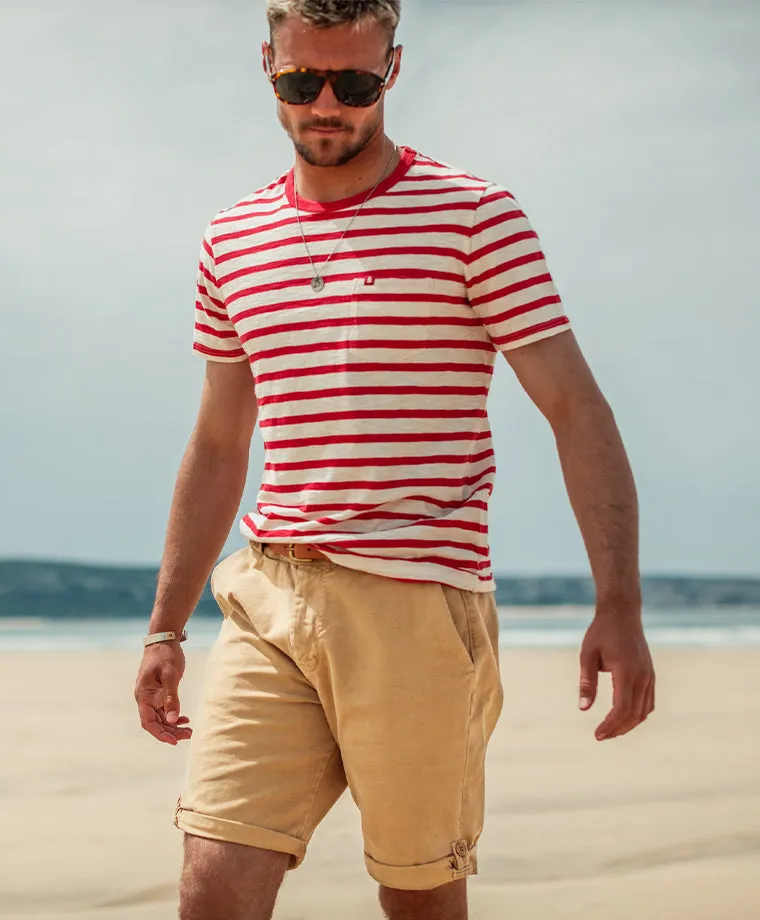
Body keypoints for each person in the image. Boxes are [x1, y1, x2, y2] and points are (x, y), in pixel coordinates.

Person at [133, 2, 656, 918]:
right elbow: (220, 443)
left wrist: (620, 604)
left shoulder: (474, 217)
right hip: (269, 592)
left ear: (393, 70)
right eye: (303, 81)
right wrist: (165, 626)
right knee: (213, 886)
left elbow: (577, 410)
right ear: (268, 67)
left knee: (418, 896)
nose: (326, 104)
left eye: (354, 82)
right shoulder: (233, 239)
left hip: (418, 600)